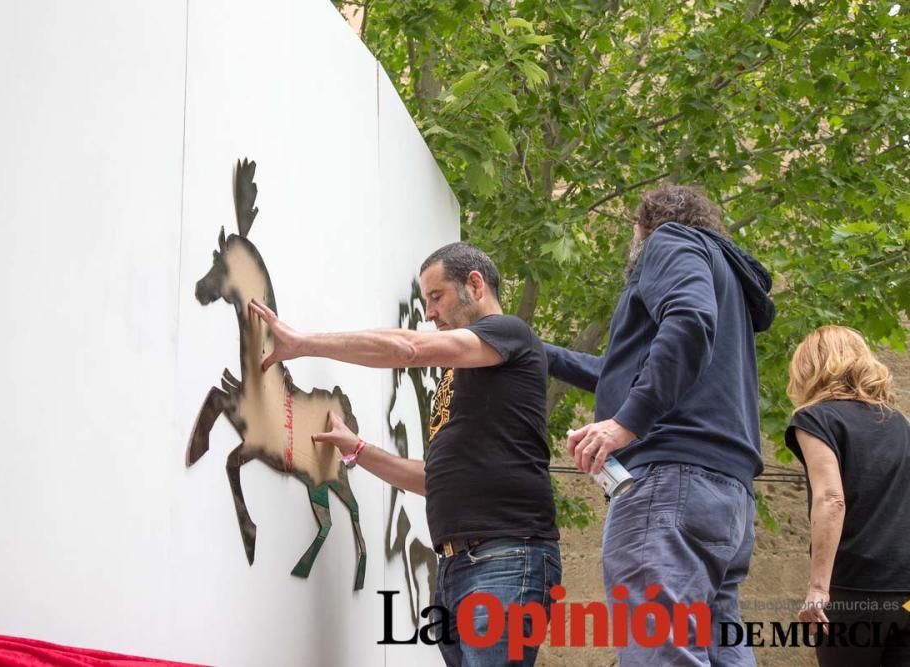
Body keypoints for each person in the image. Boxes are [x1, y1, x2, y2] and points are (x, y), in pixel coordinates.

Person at [249, 242, 560, 667]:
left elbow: (406, 349)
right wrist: (359, 451)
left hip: (505, 557)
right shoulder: (466, 378)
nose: (429, 313)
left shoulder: (510, 332)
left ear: (475, 284)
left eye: (437, 297)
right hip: (455, 568)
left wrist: (302, 343)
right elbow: (434, 481)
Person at [544, 185, 775, 666]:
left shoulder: (669, 242)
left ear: (643, 226)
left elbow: (688, 323)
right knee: (719, 649)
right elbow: (626, 369)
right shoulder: (724, 275)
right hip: (726, 498)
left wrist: (626, 424)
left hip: (670, 484)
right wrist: (536, 352)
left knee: (662, 652)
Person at [785, 325, 910, 667]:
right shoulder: (901, 423)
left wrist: (818, 588)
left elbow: (831, 500)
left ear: (809, 367)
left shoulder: (814, 418)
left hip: (855, 594)